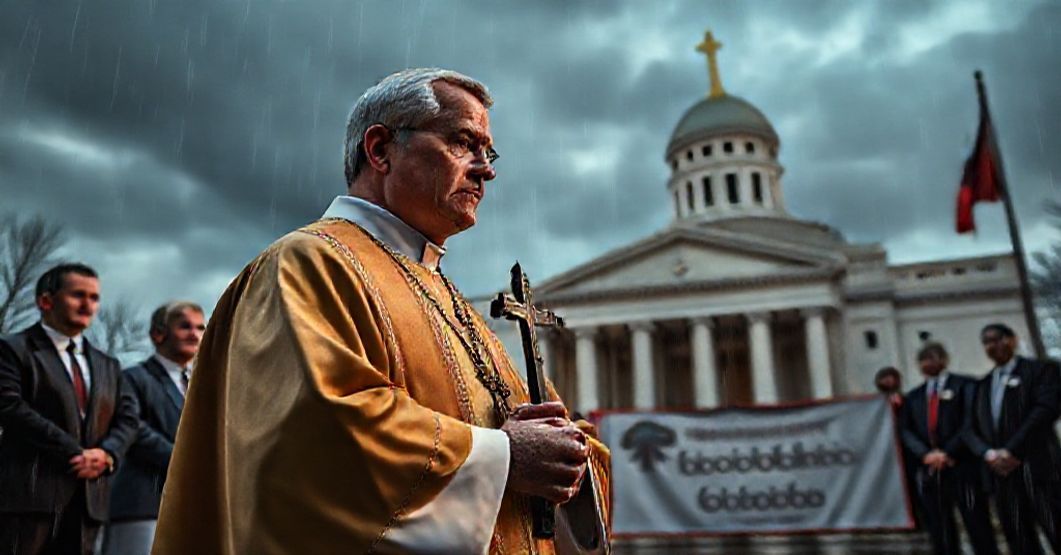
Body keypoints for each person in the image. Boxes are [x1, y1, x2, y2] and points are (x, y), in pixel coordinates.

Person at [154, 68, 609, 554]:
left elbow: (539, 430)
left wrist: (573, 456)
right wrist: (505, 456)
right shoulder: (310, 263)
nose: (486, 168)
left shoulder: (447, 296)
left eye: (488, 151)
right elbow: (315, 438)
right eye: (463, 143)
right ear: (380, 150)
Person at [0, 263, 139, 555]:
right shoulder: (12, 350)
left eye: (94, 297)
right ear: (46, 301)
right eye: (78, 295)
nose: (88, 304)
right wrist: (74, 452)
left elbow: (128, 419)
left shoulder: (108, 365)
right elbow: (9, 406)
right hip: (28, 499)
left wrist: (107, 454)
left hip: (88, 505)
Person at [104, 301, 205, 555]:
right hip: (143, 505)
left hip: (194, 507)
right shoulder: (131, 378)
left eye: (201, 327)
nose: (195, 334)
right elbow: (134, 430)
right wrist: (184, 462)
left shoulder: (206, 387)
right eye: (185, 326)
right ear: (158, 334)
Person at [965, 323, 1061, 554]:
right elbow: (969, 428)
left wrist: (1012, 450)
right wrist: (989, 454)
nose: (993, 345)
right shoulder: (982, 385)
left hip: (1039, 468)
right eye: (987, 342)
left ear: (1013, 340)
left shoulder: (1041, 370)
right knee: (1019, 540)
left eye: (998, 339)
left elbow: (1044, 411)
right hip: (1002, 475)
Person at [899, 342, 998, 555]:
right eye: (923, 359)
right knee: (940, 529)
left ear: (944, 360)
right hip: (930, 470)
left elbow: (970, 422)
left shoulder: (966, 385)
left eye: (933, 357)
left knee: (977, 525)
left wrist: (947, 453)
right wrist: (926, 454)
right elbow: (906, 431)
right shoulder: (914, 396)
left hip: (964, 467)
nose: (928, 362)